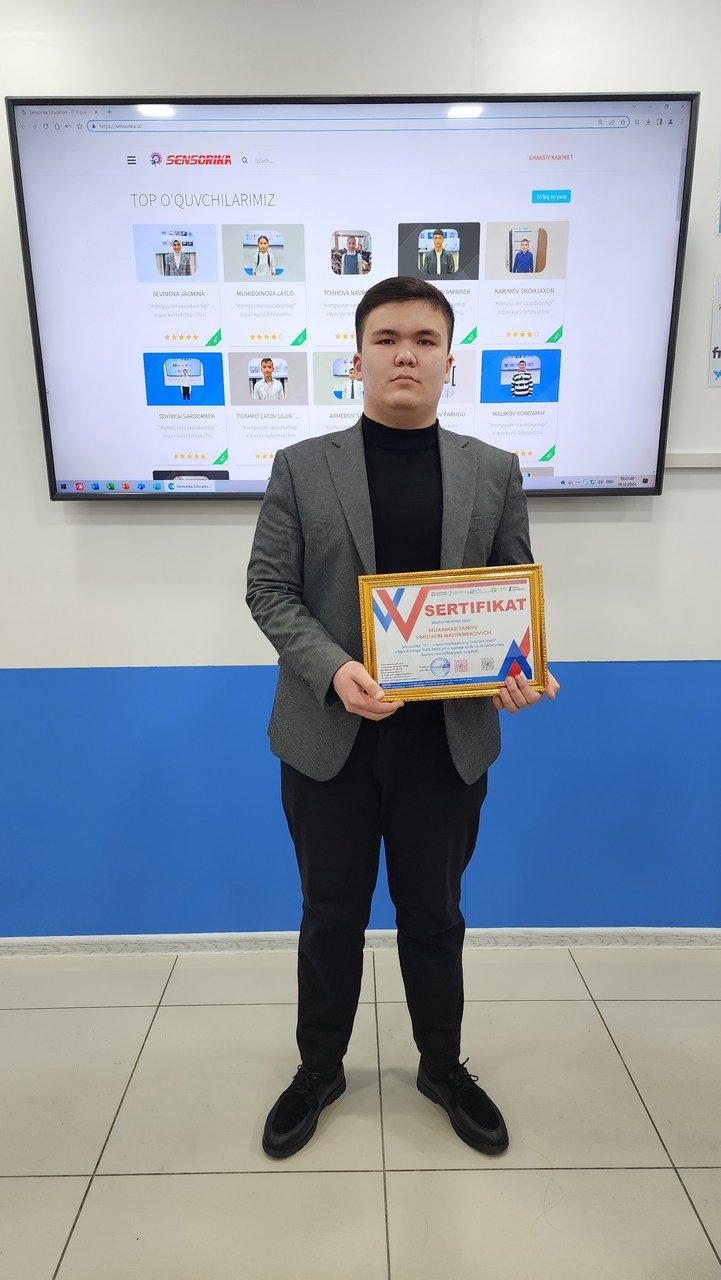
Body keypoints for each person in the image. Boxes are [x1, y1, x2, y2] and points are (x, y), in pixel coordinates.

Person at [247, 276, 558, 1162]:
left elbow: (508, 588)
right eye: (386, 339)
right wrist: (334, 669)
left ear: (449, 361)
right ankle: (319, 1068)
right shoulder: (301, 466)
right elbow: (268, 590)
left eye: (424, 339)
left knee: (434, 914)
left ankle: (440, 1066)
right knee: (329, 913)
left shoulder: (492, 470)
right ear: (358, 358)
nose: (405, 354)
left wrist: (518, 667)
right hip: (328, 740)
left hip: (445, 745)